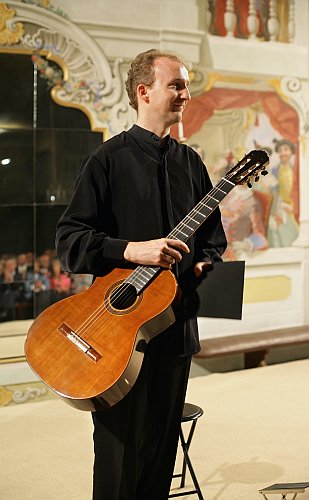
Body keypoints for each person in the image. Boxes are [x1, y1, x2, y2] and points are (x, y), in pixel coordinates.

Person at [55, 49, 227, 500]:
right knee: (117, 457)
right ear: (143, 91)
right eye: (177, 85)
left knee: (158, 454)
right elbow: (70, 243)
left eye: (186, 86)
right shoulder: (105, 161)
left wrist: (208, 264)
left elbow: (213, 240)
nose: (186, 95)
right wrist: (132, 250)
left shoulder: (191, 163)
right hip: (113, 336)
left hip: (174, 329)